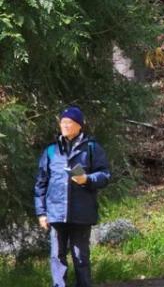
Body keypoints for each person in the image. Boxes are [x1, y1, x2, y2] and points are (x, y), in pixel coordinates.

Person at [34, 106, 112, 287]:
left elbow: (105, 175)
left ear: (79, 126)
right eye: (62, 122)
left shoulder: (92, 148)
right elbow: (41, 183)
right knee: (56, 256)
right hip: (55, 212)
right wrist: (42, 213)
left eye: (69, 122)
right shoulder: (51, 151)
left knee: (80, 257)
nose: (65, 125)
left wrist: (87, 179)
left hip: (81, 213)